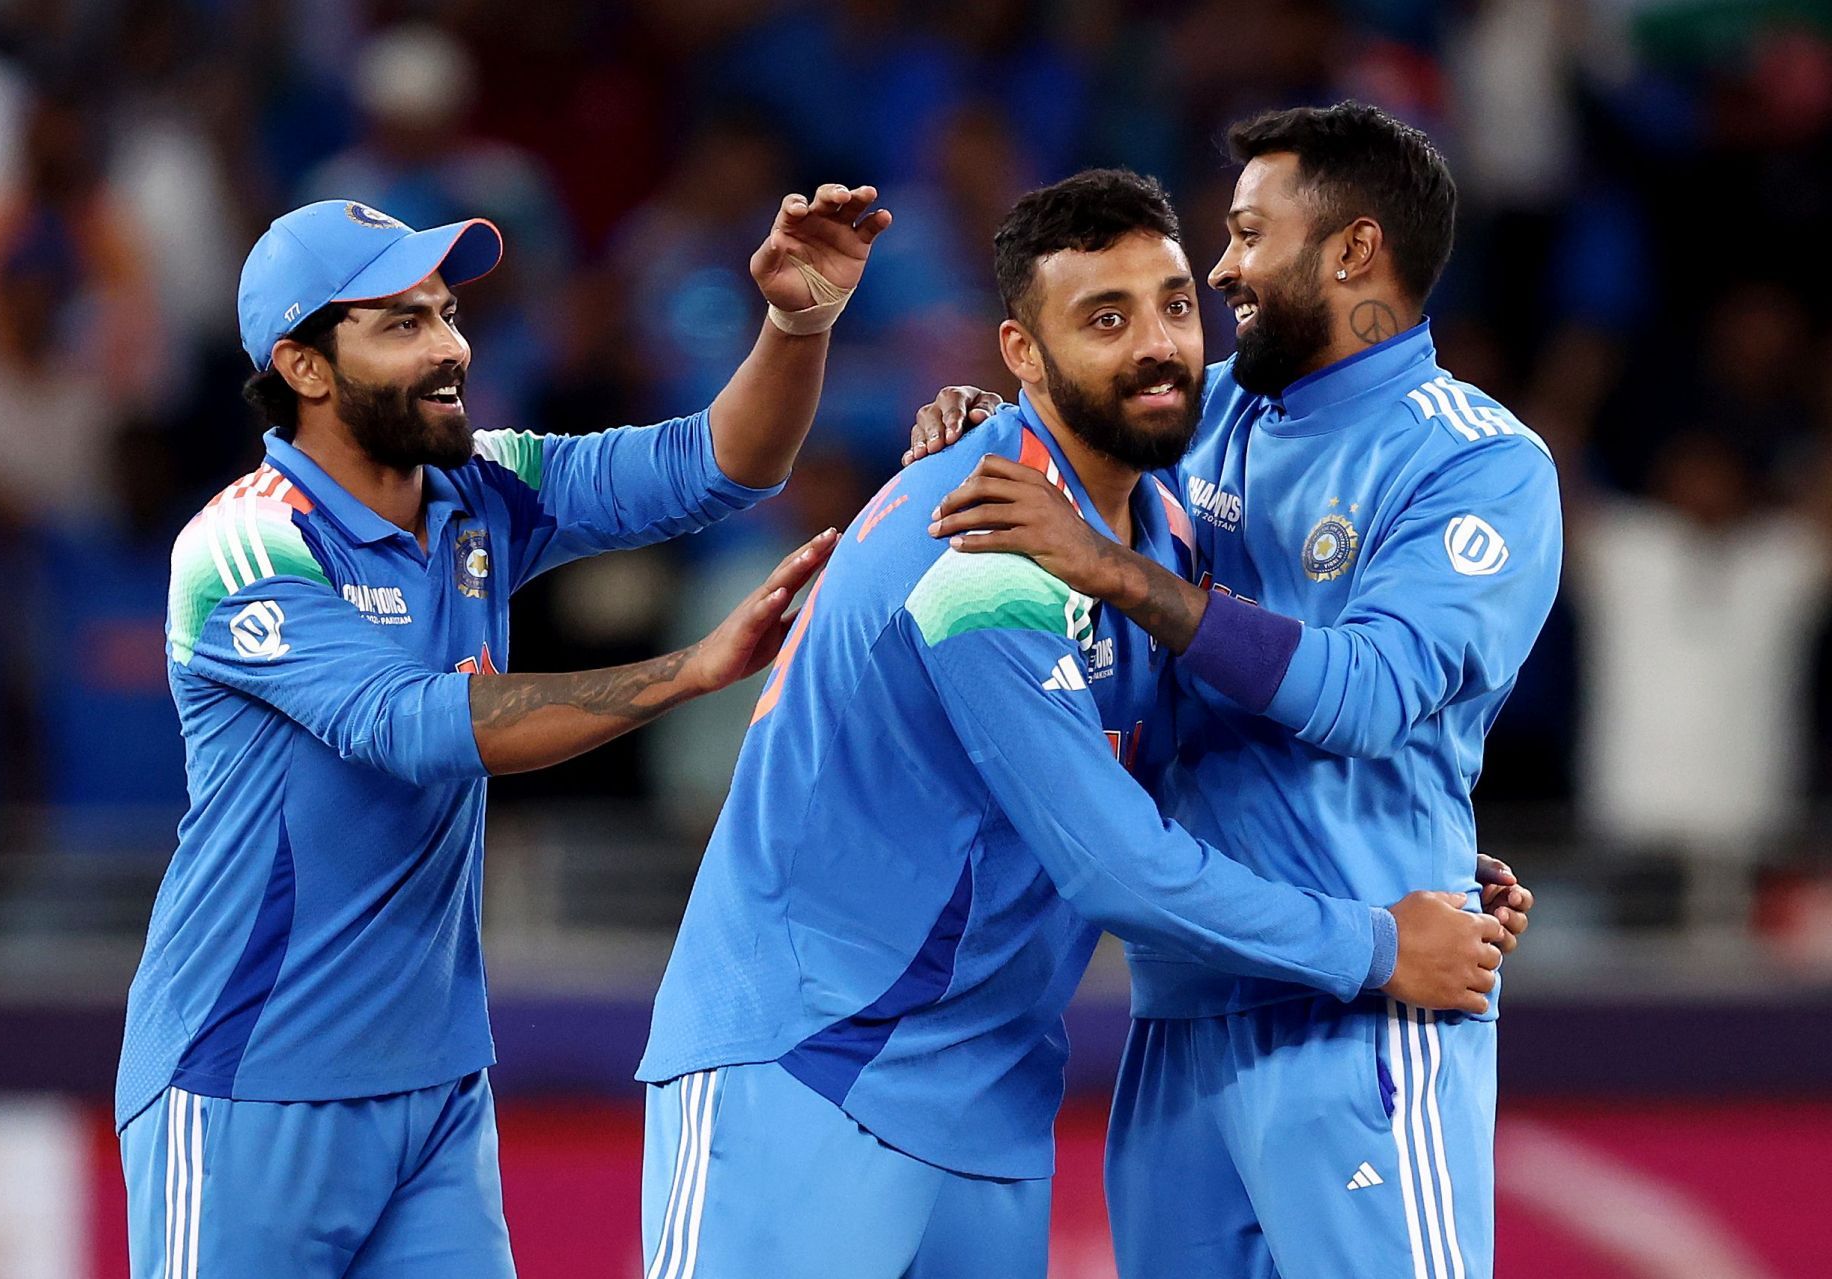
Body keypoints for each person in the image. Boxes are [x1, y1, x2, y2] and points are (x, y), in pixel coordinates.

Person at [637, 168, 1511, 1279]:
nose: (1158, 345)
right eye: (1106, 319)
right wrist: (1385, 944)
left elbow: (1219, 746)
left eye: (1176, 305)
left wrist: (1423, 859)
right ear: (1021, 353)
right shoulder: (978, 545)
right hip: (806, 1065)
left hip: (988, 1103)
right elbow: (1121, 870)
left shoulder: (1163, 534)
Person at [115, 183, 889, 1278]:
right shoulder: (242, 549)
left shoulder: (483, 492)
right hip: (247, 1077)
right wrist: (689, 670)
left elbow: (720, 463)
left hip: (434, 1091)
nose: (449, 348)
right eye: (402, 324)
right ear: (303, 366)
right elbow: (413, 724)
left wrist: (797, 322)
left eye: (446, 314)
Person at [914, 103, 1560, 1278]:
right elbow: (1055, 442)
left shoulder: (1478, 461)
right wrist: (982, 427)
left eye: (1251, 233)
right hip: (1182, 1012)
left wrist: (1111, 566)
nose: (1220, 269)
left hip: (1368, 1009)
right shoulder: (1200, 412)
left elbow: (1368, 692)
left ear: (1353, 251)